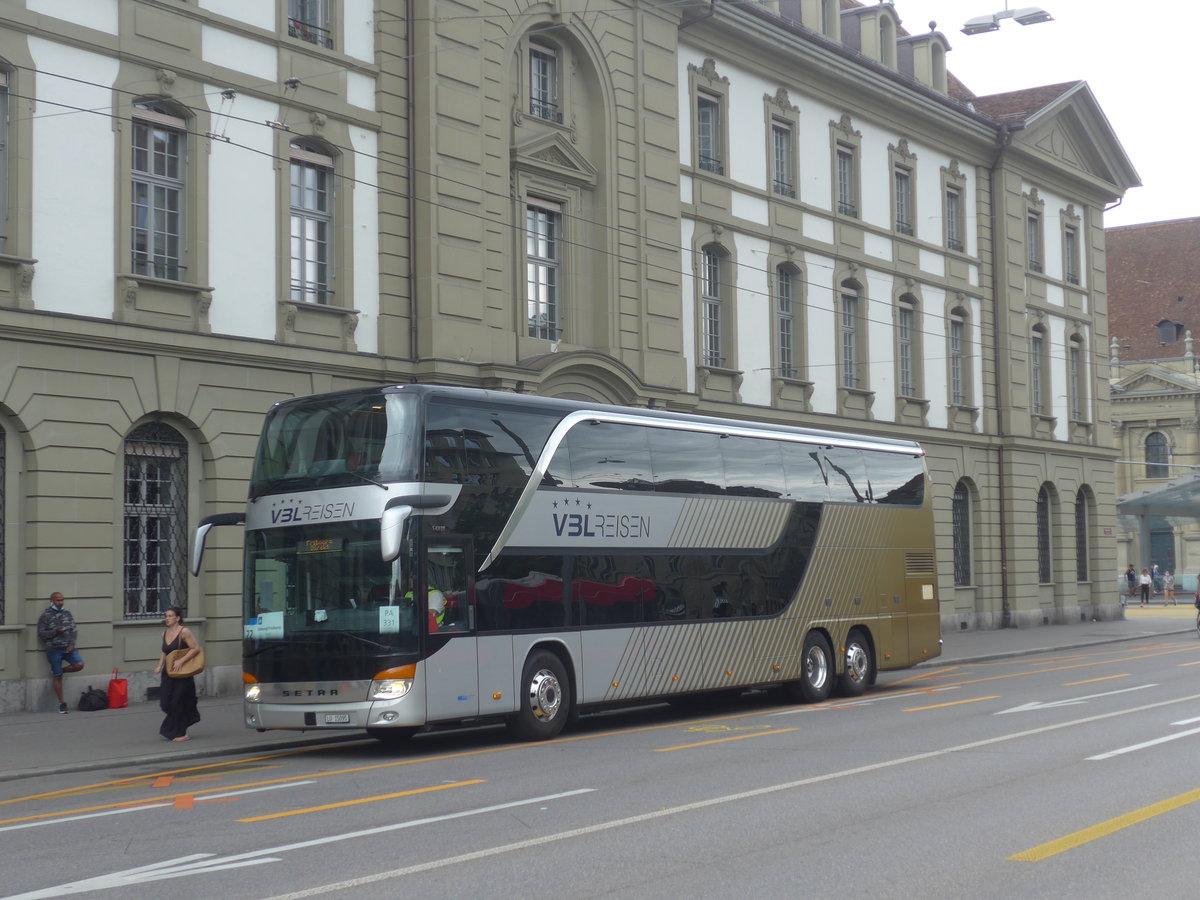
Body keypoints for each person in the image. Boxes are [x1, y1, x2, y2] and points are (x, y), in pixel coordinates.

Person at [154, 606, 201, 742]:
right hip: (168, 672)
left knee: (177, 702)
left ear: (177, 618)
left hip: (182, 673)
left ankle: (181, 733)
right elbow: (165, 652)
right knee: (165, 703)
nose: (167, 618)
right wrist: (159, 666)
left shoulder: (184, 632)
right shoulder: (164, 633)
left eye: (170, 616)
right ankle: (180, 723)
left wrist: (181, 660)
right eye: (166, 616)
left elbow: (195, 648)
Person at [36, 592, 84, 714]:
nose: (60, 602)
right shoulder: (46, 616)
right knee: (57, 677)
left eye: (62, 600)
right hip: (54, 649)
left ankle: (59, 671)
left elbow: (73, 631)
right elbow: (41, 635)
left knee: (79, 665)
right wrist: (56, 631)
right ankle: (62, 704)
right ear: (52, 601)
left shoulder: (67, 614)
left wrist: (72, 644)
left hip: (68, 648)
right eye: (58, 600)